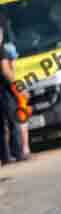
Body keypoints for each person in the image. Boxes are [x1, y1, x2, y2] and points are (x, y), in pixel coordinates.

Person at [0, 14, 24, 166]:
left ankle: (5, 156)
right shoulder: (2, 50)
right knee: (13, 121)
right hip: (5, 92)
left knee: (1, 126)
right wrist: (18, 86)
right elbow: (6, 71)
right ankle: (17, 153)